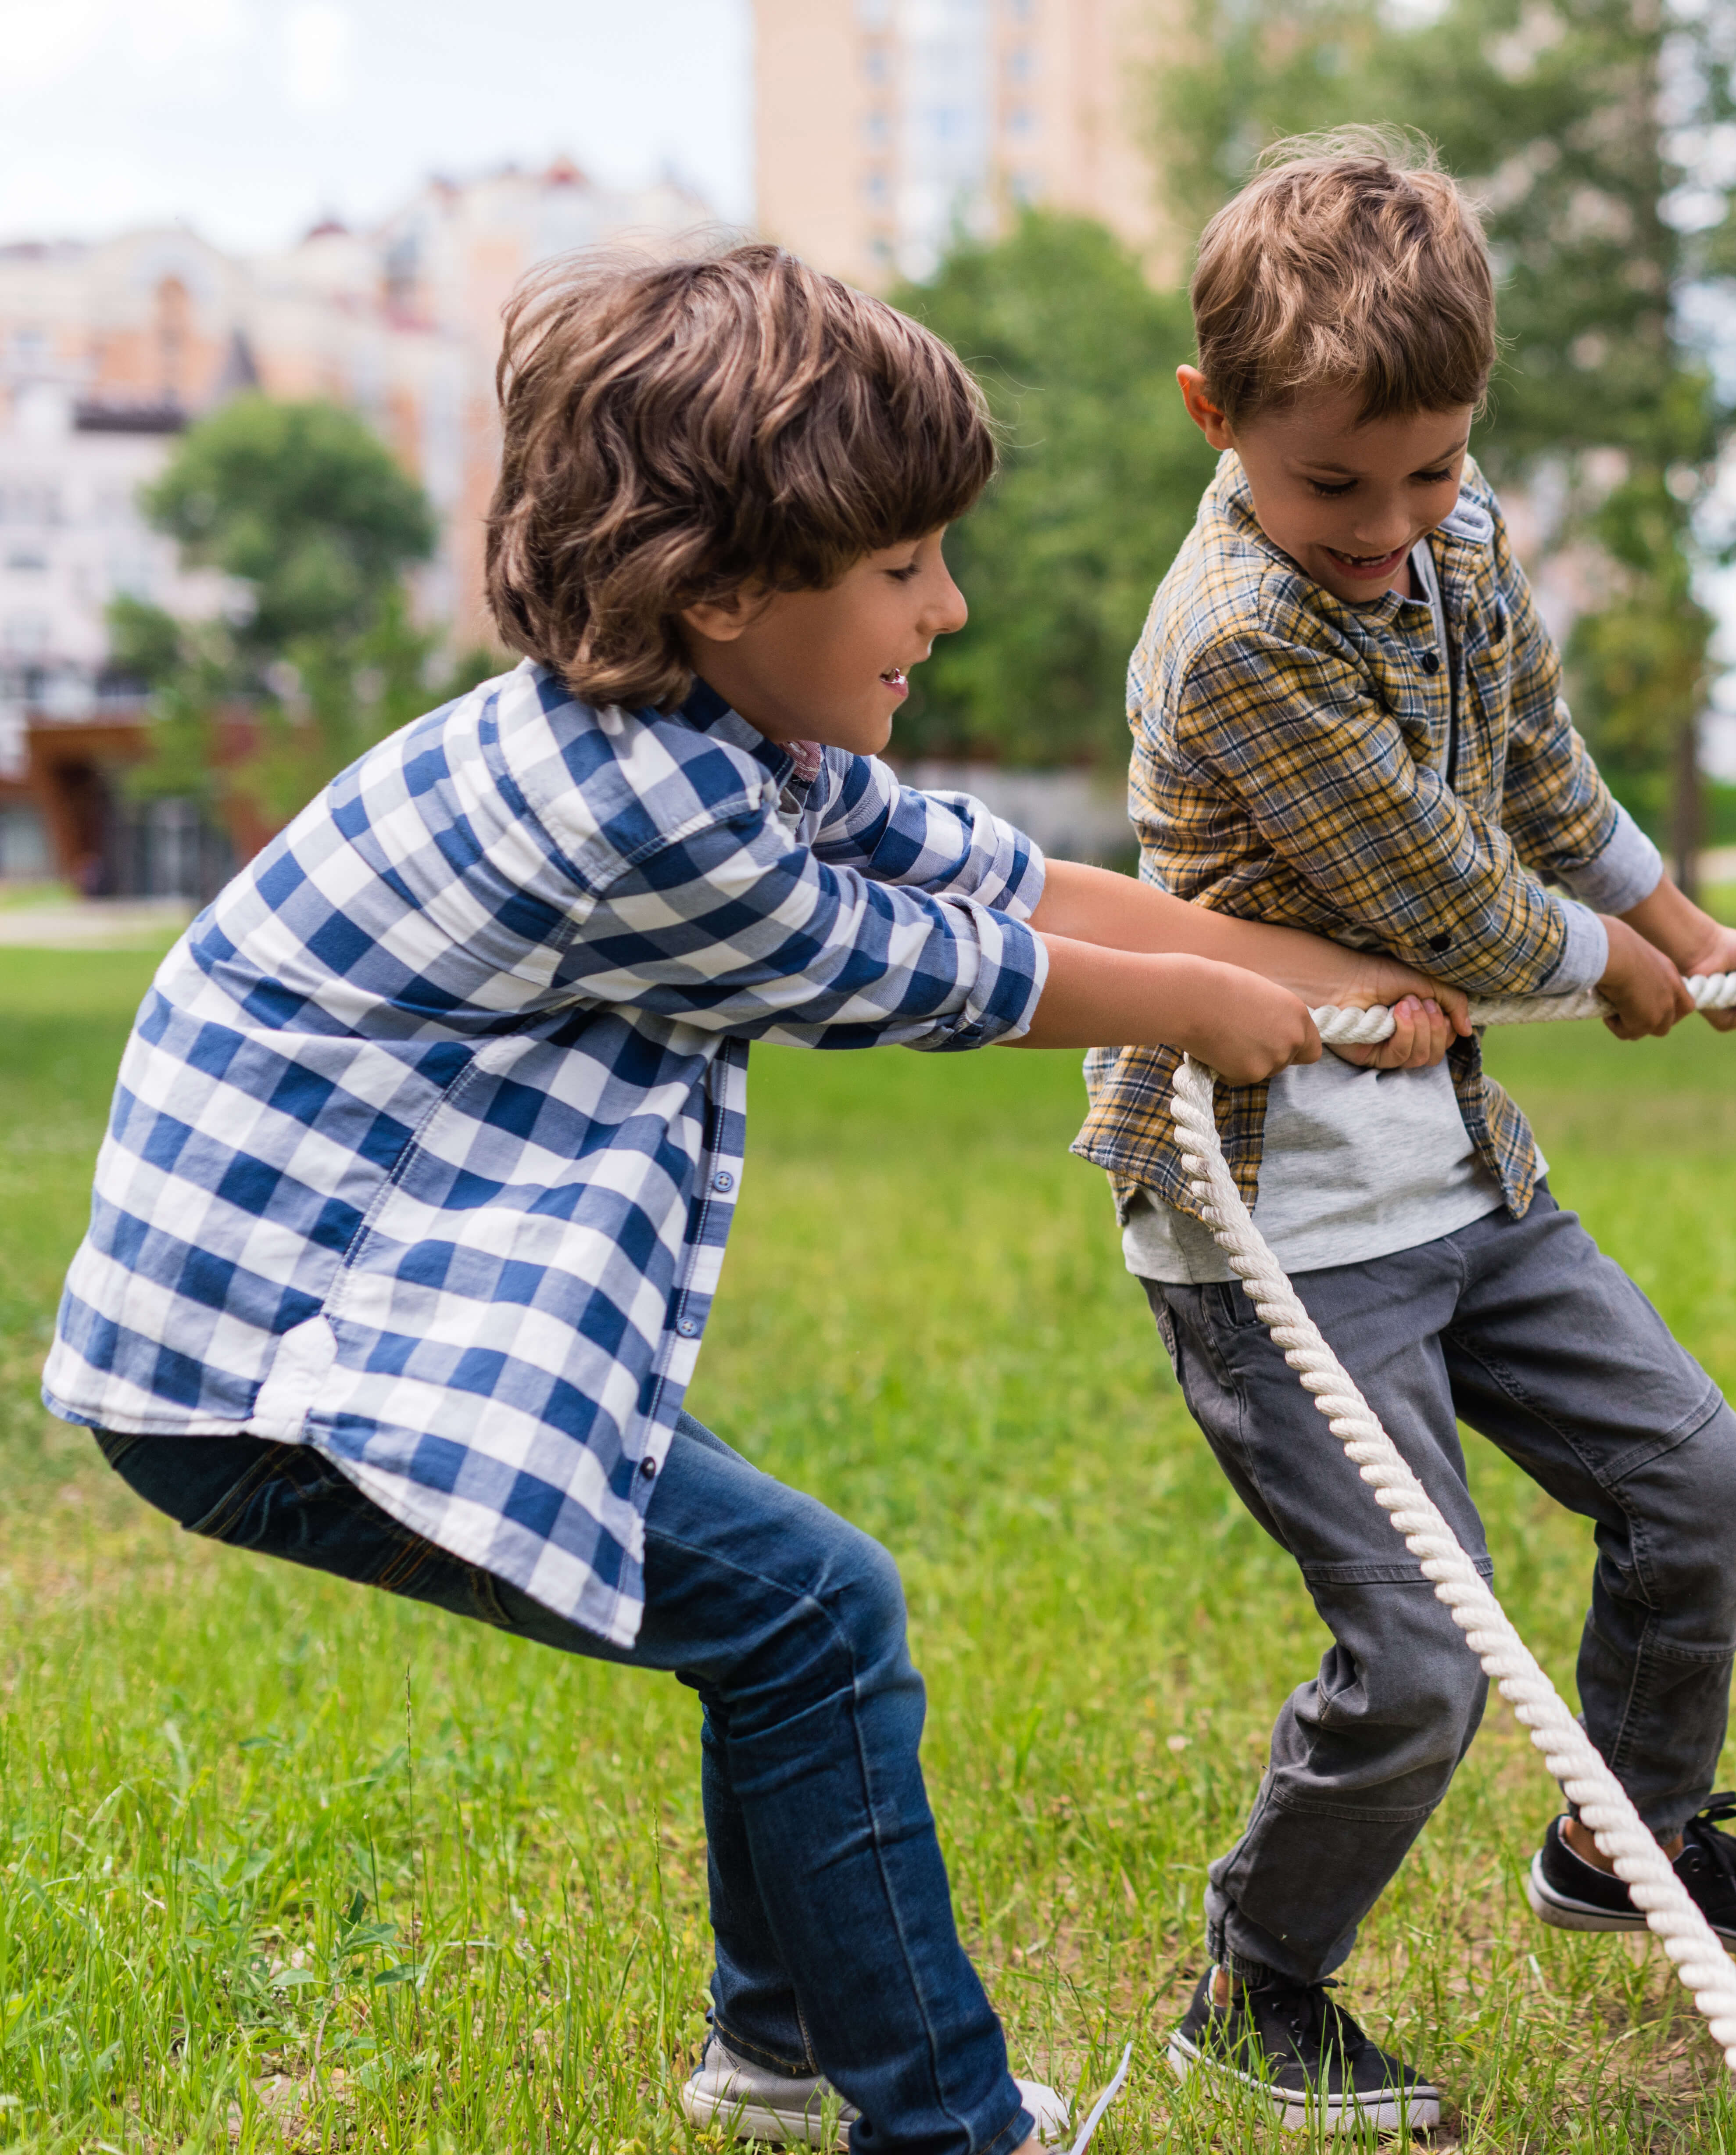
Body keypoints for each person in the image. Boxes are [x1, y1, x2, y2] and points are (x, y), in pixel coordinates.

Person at [41, 243, 1459, 2155]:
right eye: (901, 569)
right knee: (810, 1610)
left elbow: (1002, 881)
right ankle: (942, 2122)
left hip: (388, 1303)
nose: (948, 607)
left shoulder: (719, 731)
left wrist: (1318, 975)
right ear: (716, 586)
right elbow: (934, 971)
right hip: (264, 1366)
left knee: (776, 1616)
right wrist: (1220, 1007)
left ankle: (775, 2057)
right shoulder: (632, 810)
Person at [1076, 131, 1736, 2136]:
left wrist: (1686, 927)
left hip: (1451, 1178)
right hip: (1272, 1219)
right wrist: (1602, 960)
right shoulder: (1239, 635)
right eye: (1333, 479)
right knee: (1422, 1658)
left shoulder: (1461, 537)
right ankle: (1254, 1989)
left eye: (1429, 471)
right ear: (1217, 417)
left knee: (1701, 1485)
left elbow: (1531, 765)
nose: (1387, 523)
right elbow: (1451, 894)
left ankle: (1634, 1838)